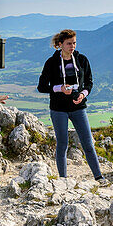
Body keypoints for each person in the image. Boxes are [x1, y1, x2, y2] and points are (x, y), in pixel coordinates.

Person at [37, 29, 105, 181]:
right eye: (69, 43)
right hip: (58, 108)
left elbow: (89, 83)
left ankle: (99, 176)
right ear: (60, 44)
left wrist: (83, 94)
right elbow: (41, 87)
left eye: (74, 43)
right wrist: (58, 89)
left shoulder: (82, 60)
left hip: (78, 107)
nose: (72, 46)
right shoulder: (51, 63)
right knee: (62, 144)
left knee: (88, 143)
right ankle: (63, 179)